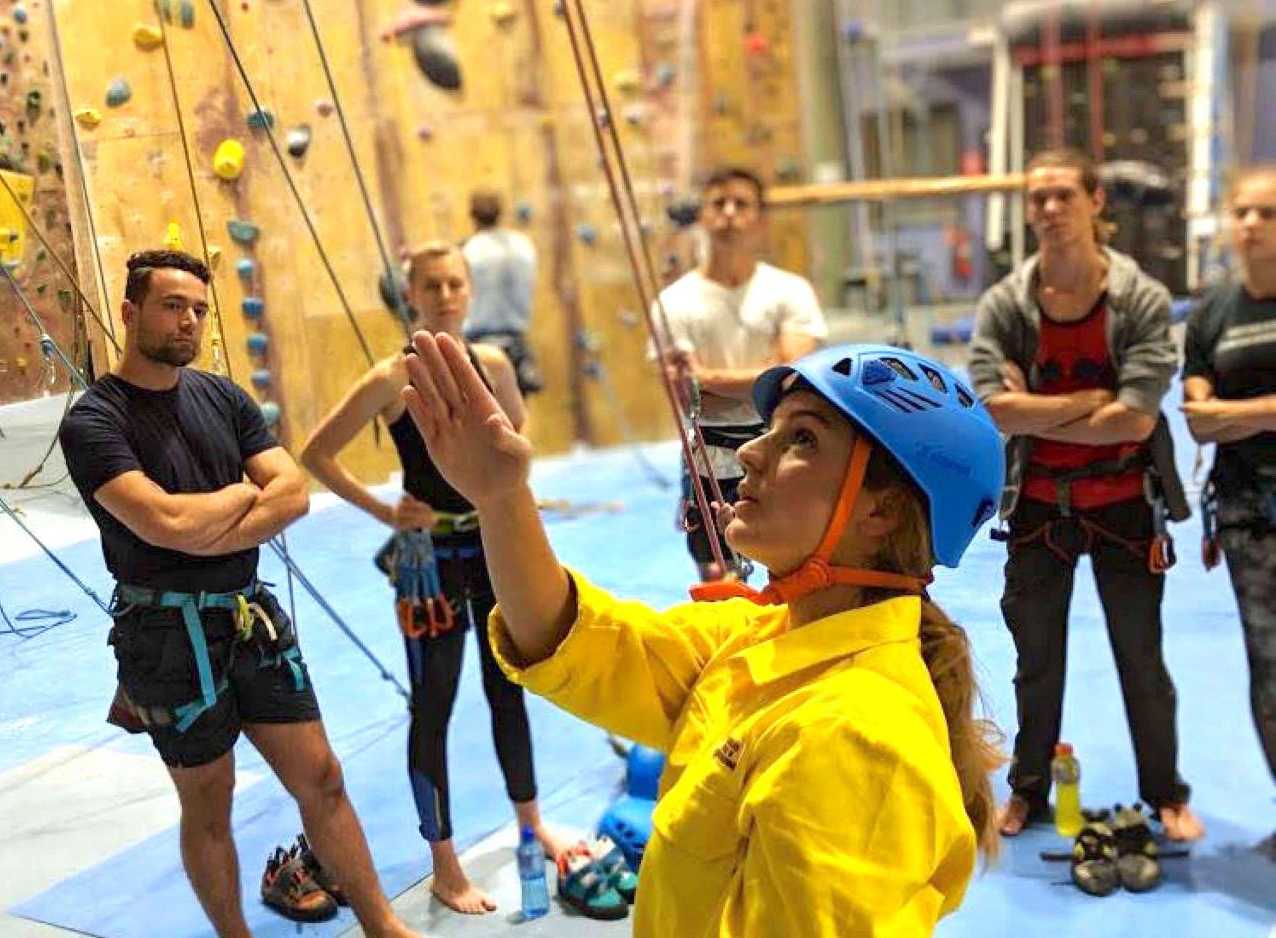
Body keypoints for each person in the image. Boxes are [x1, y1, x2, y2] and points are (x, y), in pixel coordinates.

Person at [403, 334, 1006, 935]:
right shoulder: (762, 633)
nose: (750, 453)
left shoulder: (856, 740)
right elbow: (578, 643)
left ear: (881, 513)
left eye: (803, 438)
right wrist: (501, 498)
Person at [58, 250, 418, 938]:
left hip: (250, 616)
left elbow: (292, 494)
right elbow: (159, 522)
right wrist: (236, 496)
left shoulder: (222, 397)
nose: (189, 321)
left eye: (198, 308)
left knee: (324, 778)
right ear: (131, 312)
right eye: (172, 306)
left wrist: (206, 525)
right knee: (209, 802)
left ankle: (382, 926)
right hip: (165, 638)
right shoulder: (95, 421)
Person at [300, 242, 562, 915]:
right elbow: (316, 454)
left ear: (470, 291)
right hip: (431, 563)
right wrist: (388, 509)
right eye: (431, 286)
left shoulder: (496, 365)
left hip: (492, 547)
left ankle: (531, 822)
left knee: (510, 685)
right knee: (434, 703)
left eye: (455, 284)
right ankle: (444, 862)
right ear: (409, 295)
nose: (445, 295)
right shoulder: (392, 378)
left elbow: (516, 442)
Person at [969, 148, 1202, 841]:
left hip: (1126, 505)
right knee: (1035, 666)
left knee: (1142, 660)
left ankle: (1165, 793)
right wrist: (1087, 400)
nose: (1046, 209)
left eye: (1062, 195)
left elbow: (1135, 418)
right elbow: (990, 410)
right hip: (1040, 508)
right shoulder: (1006, 306)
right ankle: (1029, 792)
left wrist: (1036, 403)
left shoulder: (1140, 301)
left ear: (1095, 203)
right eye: (1036, 198)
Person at [653, 166, 827, 582]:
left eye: (741, 203)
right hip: (710, 460)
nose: (729, 212)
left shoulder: (790, 291)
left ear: (760, 218)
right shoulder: (673, 302)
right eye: (718, 203)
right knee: (718, 577)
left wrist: (709, 377)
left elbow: (789, 378)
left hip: (781, 452)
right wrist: (759, 380)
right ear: (702, 215)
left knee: (793, 571)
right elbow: (687, 395)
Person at [1182, 164, 1276, 800]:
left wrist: (1234, 415)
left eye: (1266, 213)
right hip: (1249, 515)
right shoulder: (1212, 311)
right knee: (1270, 667)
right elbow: (1197, 421)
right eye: (1241, 211)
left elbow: (1218, 416)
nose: (1250, 224)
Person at [461, 190, 543, 397]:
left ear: (472, 216)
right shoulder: (522, 245)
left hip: (481, 343)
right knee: (518, 414)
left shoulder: (469, 251)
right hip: (516, 342)